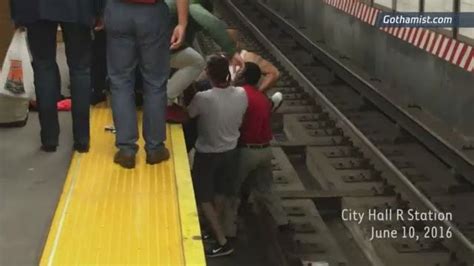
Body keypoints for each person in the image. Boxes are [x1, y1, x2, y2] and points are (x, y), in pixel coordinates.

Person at [9, 0, 105, 153]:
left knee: (43, 67)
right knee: (80, 70)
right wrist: (100, 10)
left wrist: (17, 12)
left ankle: (49, 139)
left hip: (36, 8)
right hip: (79, 7)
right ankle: (82, 139)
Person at [105, 0, 188, 169]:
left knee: (120, 81)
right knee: (155, 83)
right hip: (152, 14)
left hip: (118, 11)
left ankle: (126, 149)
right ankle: (155, 148)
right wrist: (182, 23)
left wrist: (100, 12)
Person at [187, 55, 248, 257]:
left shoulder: (203, 98)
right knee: (219, 193)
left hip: (208, 154)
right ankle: (213, 231)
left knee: (203, 196)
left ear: (208, 73)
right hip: (231, 152)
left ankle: (222, 241)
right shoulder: (241, 94)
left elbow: (188, 115)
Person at [225, 62, 289, 238]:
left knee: (232, 189)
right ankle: (283, 222)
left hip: (247, 151)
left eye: (240, 73)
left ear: (244, 77)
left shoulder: (240, 94)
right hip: (265, 149)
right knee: (267, 187)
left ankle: (228, 231)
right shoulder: (262, 97)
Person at [165, 0, 244, 123]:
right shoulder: (194, 5)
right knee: (197, 62)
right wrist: (231, 50)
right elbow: (211, 23)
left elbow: (186, 42)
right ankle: (165, 103)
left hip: (139, 42)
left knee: (181, 58)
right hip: (156, 43)